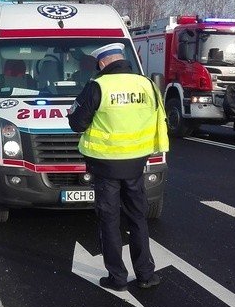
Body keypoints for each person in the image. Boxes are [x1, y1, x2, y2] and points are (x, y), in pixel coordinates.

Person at [68, 43, 169, 291]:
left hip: (105, 166)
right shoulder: (147, 84)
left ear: (102, 63)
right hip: (137, 164)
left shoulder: (98, 86)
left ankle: (117, 278)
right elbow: (160, 118)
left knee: (109, 220)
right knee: (137, 218)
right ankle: (146, 275)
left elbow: (77, 124)